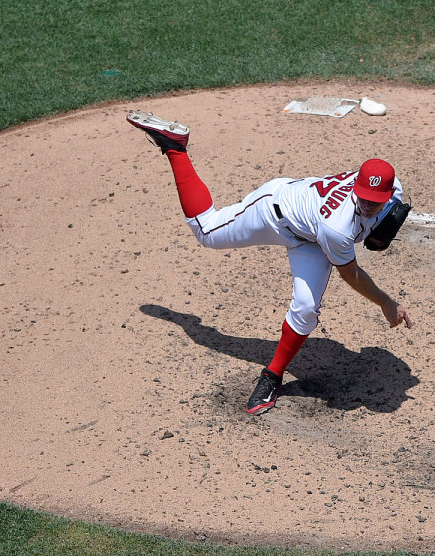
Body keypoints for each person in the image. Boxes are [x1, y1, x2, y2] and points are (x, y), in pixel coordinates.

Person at [127, 110, 413, 415]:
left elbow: (382, 215)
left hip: (312, 239)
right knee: (206, 231)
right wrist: (386, 302)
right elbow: (351, 274)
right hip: (275, 212)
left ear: (388, 194)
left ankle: (272, 376)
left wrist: (378, 230)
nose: (368, 206)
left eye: (376, 201)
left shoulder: (391, 193)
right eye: (363, 198)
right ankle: (176, 147)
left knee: (305, 308)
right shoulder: (337, 227)